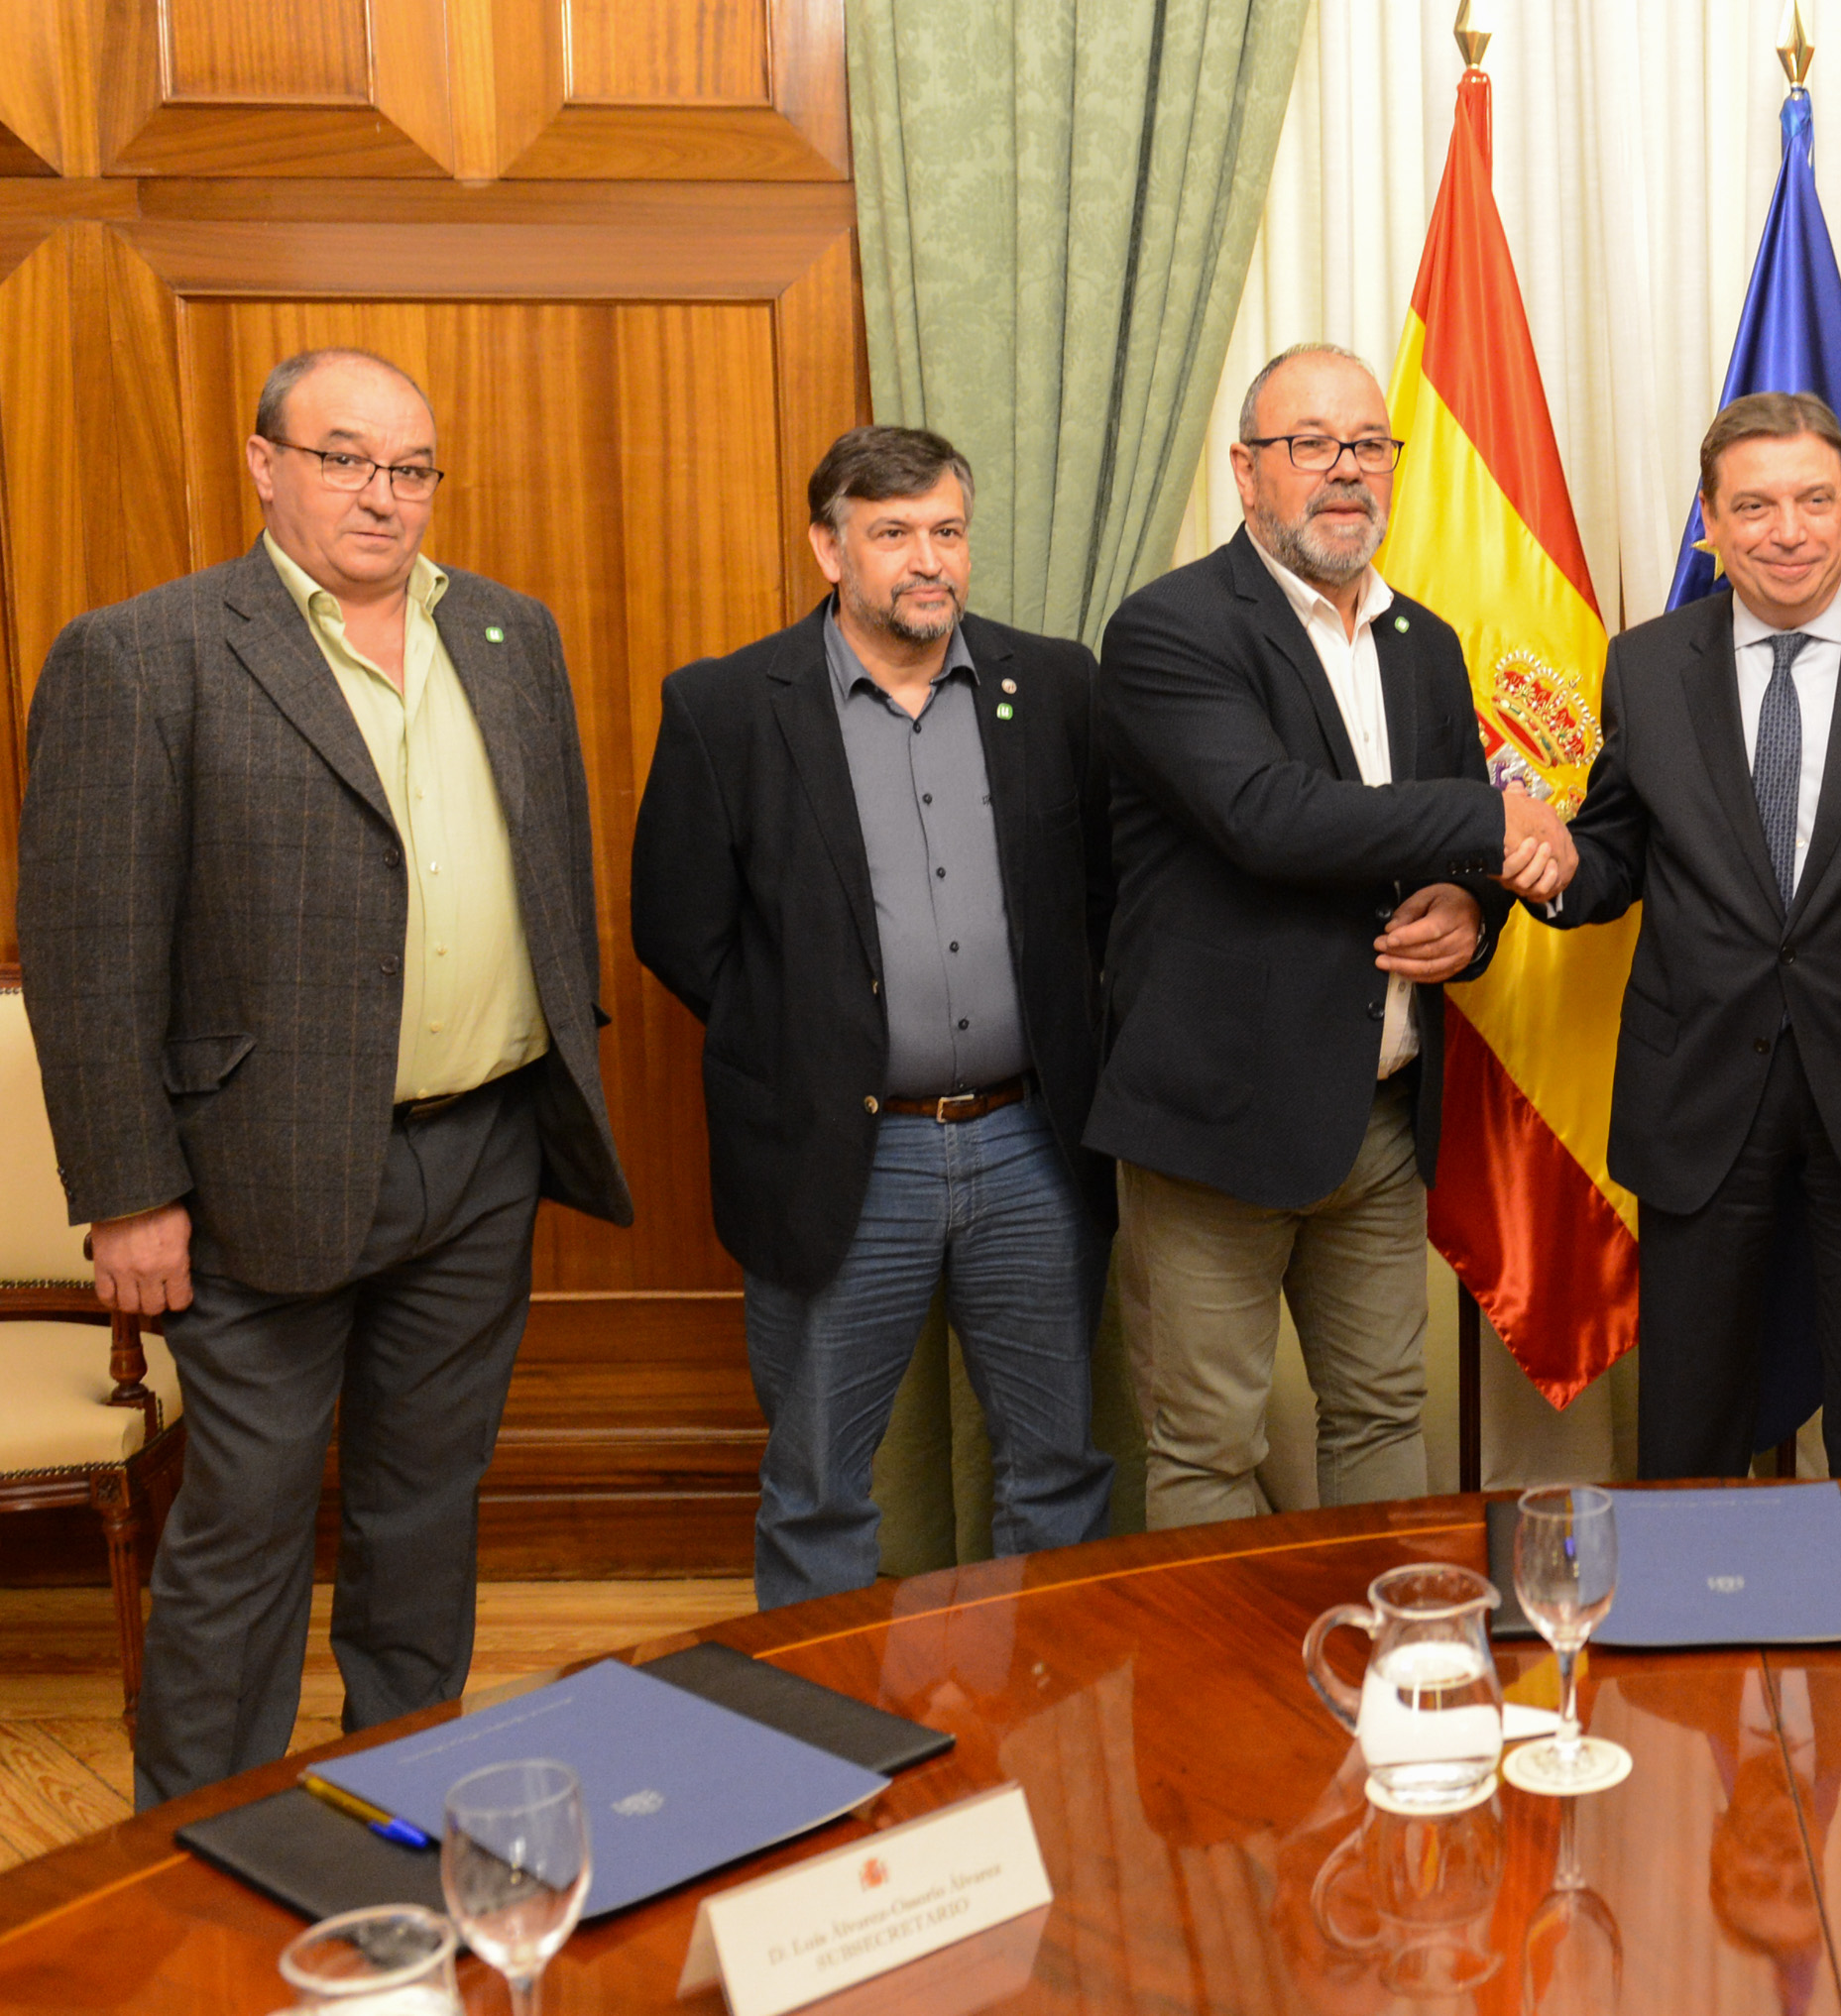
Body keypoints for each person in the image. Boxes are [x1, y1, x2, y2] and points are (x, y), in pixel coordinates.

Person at [15, 347, 633, 1804]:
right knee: (244, 1531)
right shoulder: (144, 653)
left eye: (410, 467)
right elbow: (89, 950)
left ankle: (400, 1807)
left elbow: (548, 864)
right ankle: (198, 1848)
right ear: (264, 463)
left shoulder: (508, 632)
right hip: (255, 1172)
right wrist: (128, 1193)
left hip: (481, 1155)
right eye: (344, 457)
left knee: (425, 1518)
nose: (381, 494)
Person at [632, 425, 1115, 1610]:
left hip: (1031, 1145)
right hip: (841, 1153)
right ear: (829, 547)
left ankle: (1033, 1709)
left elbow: (1105, 896)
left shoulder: (1056, 686)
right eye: (893, 533)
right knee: (818, 1487)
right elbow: (679, 929)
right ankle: (822, 1721)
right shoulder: (728, 706)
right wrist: (808, 1040)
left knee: (1056, 1469)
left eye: (947, 531)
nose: (928, 560)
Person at [1089, 343, 1569, 1525]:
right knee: (1209, 1443)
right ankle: (1236, 1656)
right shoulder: (1170, 628)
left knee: (1385, 1415)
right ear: (1246, 469)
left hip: (1383, 1117)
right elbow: (1270, 816)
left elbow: (1452, 863)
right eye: (1310, 444)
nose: (1345, 469)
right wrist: (1493, 816)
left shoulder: (1426, 643)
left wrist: (1473, 909)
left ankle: (1382, 1642)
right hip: (1216, 1124)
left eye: (1367, 444)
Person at [1542, 390, 1841, 1479]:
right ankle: (1691, 1587)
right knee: (1692, 1402)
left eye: (1813, 500)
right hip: (1700, 1082)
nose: (1787, 531)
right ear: (1710, 523)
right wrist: (1549, 864)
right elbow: (1615, 857)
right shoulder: (1645, 665)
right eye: (1753, 506)